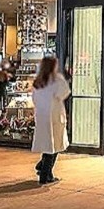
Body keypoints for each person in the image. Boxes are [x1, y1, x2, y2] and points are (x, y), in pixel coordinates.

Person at [31, 57, 71, 185]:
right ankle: (45, 173)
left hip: (42, 116)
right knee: (54, 145)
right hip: (55, 116)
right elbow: (64, 93)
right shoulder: (56, 79)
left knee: (47, 144)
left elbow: (34, 99)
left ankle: (44, 169)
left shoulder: (38, 81)